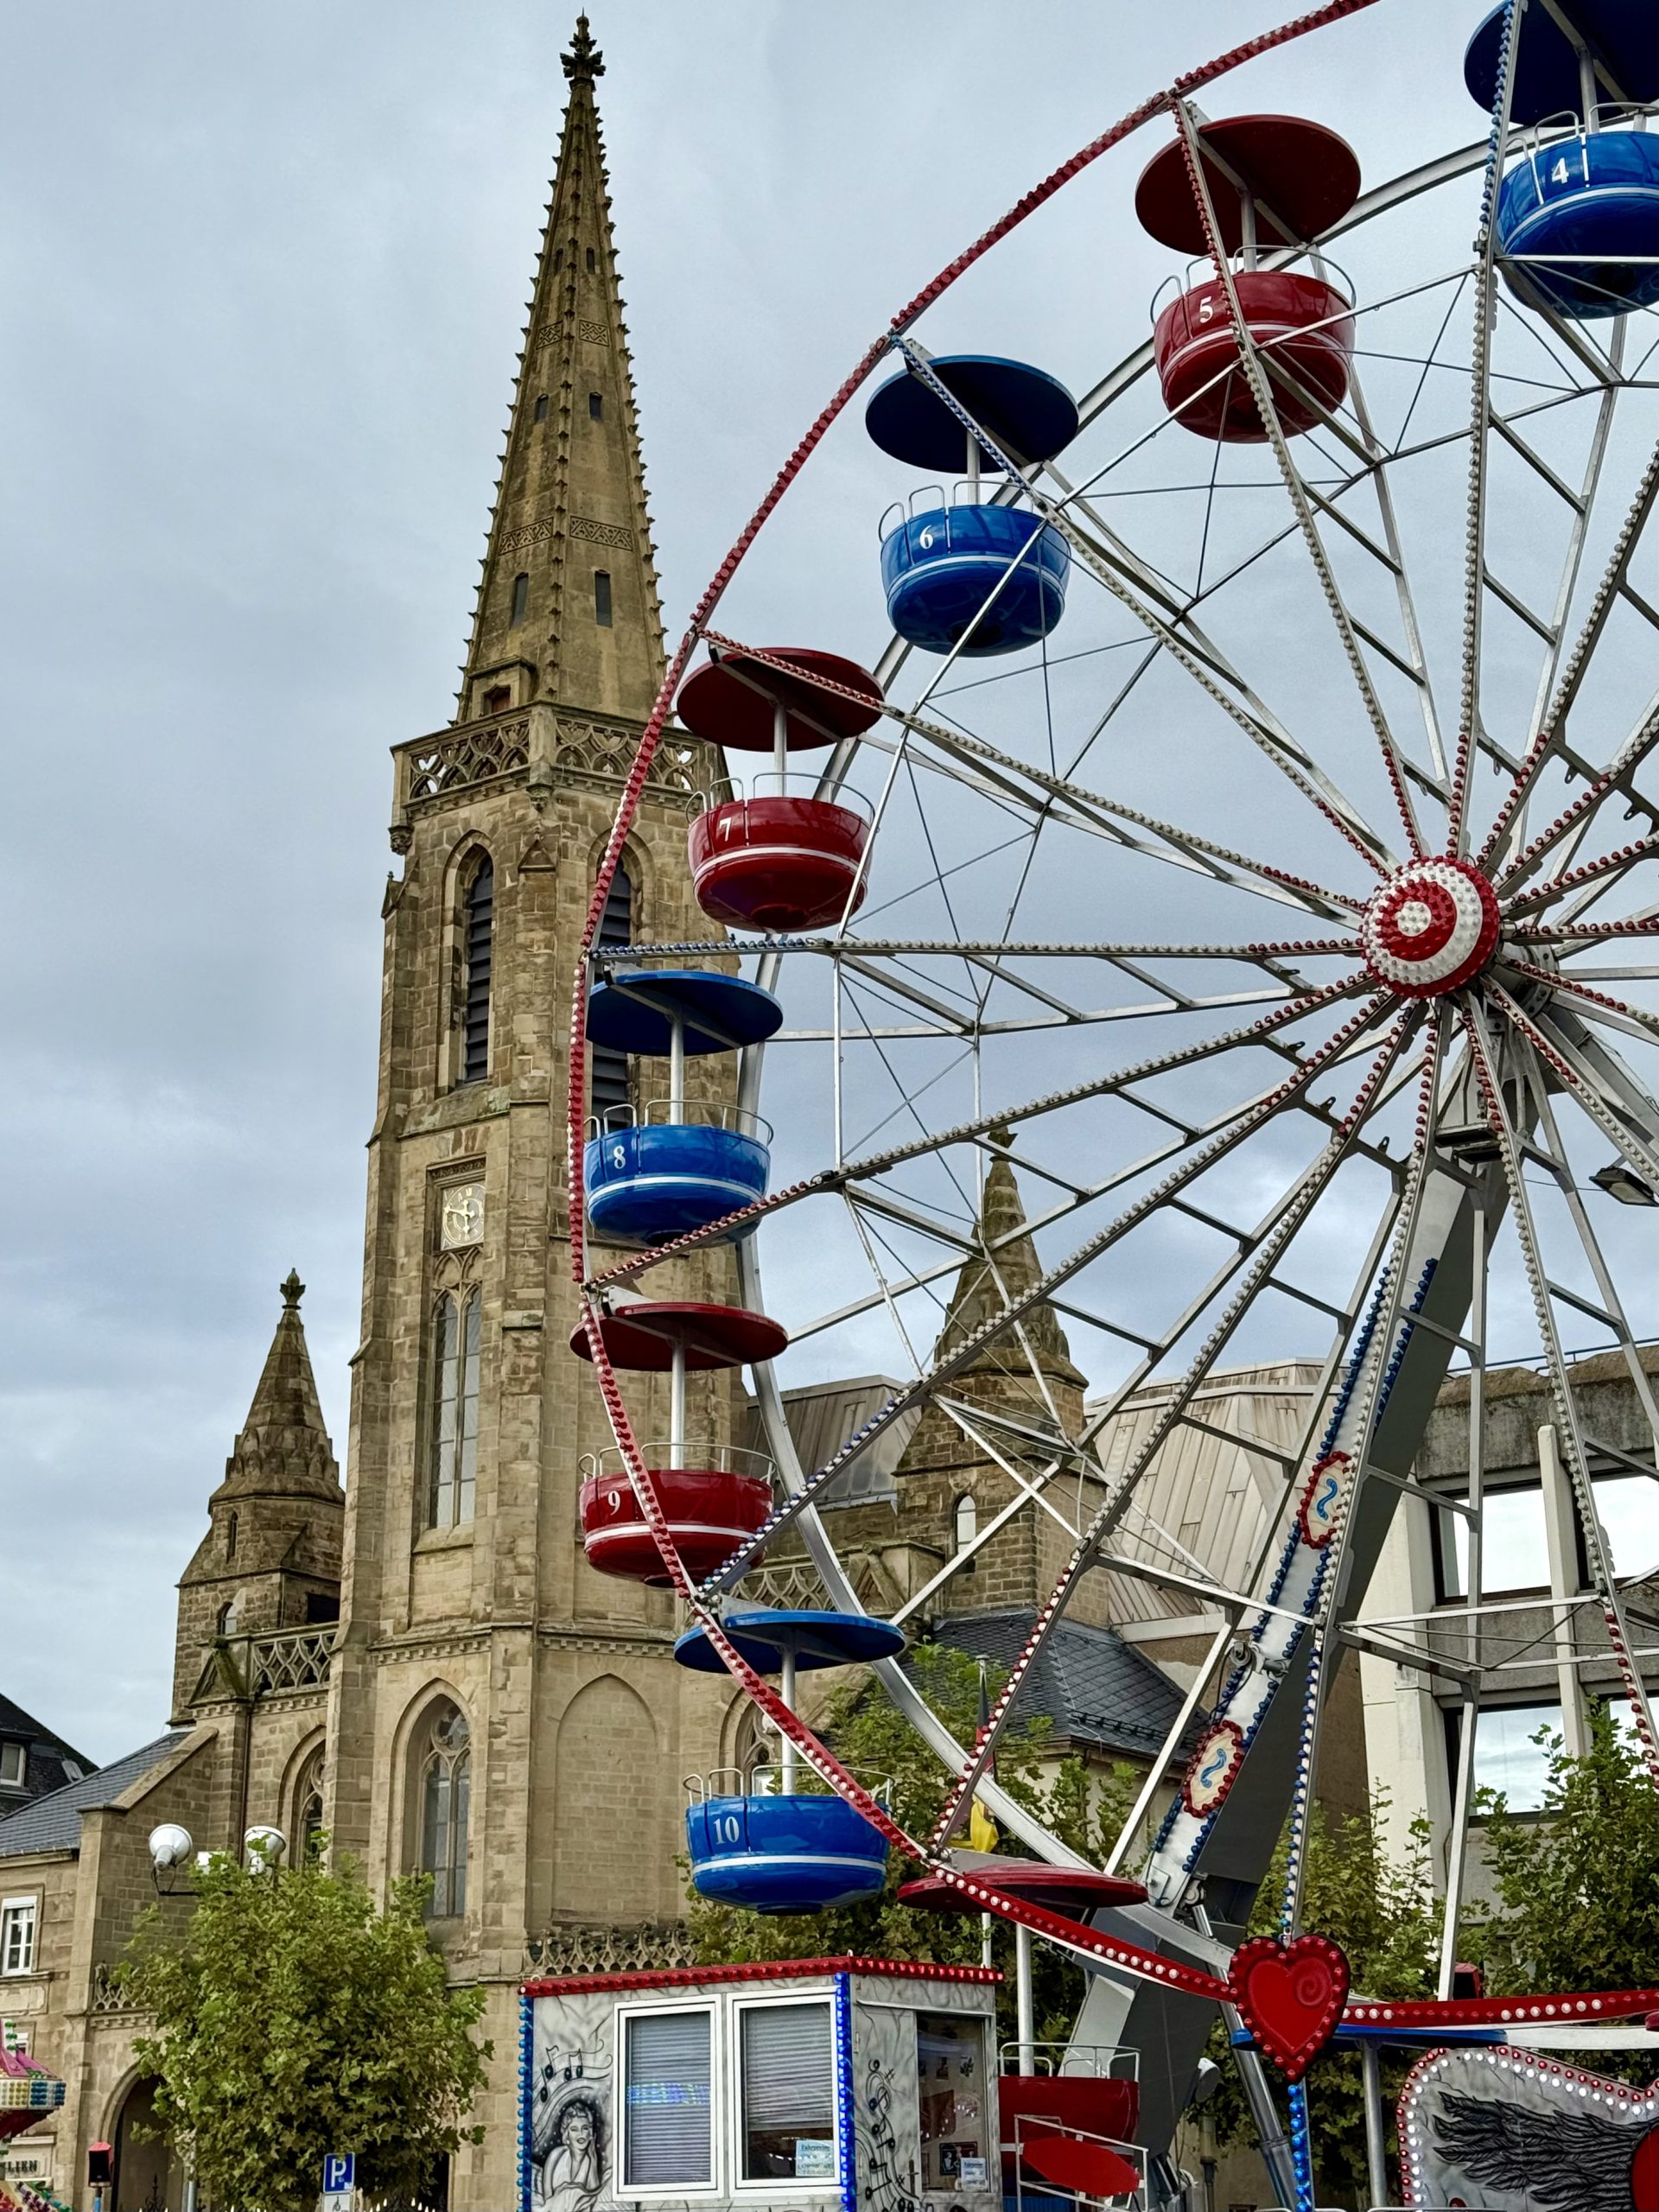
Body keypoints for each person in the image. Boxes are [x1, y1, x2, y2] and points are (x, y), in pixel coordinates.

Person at [540, 2094, 602, 2212]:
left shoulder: (589, 2162)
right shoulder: (556, 2155)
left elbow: (593, 2201)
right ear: (566, 2134)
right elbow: (547, 2198)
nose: (580, 2134)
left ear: (590, 2133)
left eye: (585, 2128)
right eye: (574, 2129)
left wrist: (594, 2161)